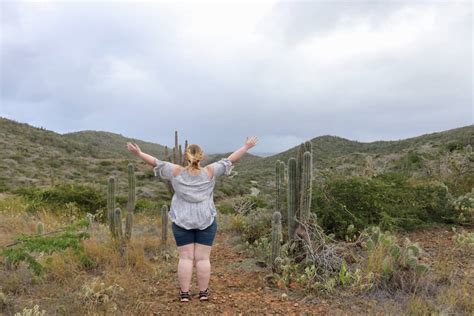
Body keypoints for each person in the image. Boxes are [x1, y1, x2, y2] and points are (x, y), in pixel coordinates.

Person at [126, 136, 258, 302]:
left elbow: (155, 162)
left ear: (185, 157)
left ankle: (184, 294)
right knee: (203, 258)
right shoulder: (210, 171)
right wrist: (246, 146)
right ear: (201, 157)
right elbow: (230, 160)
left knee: (185, 258)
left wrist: (138, 153)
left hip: (182, 220)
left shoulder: (175, 171)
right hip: (206, 220)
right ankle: (203, 293)